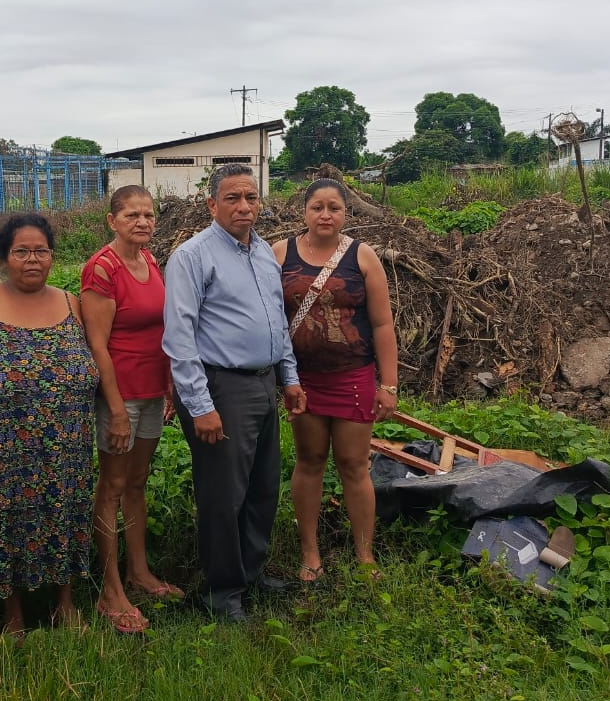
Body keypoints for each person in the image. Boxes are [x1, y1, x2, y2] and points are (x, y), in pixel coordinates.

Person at [0, 213, 98, 636]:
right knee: (4, 517)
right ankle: (12, 613)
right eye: (21, 251)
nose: (32, 260)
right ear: (4, 257)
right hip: (3, 445)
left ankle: (64, 603)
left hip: (68, 443)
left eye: (41, 251)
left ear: (52, 255)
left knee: (66, 511)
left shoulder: (71, 304)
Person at [162, 164, 307, 622]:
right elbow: (179, 337)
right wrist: (200, 406)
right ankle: (221, 592)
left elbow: (277, 322)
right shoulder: (192, 256)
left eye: (251, 197)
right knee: (223, 496)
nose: (244, 206)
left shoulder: (263, 252)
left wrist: (289, 377)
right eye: (232, 198)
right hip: (221, 386)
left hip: (263, 383)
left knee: (262, 487)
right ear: (212, 205)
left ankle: (251, 574)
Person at [272, 178, 398, 581]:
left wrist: (388, 384)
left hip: (353, 377)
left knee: (354, 465)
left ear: (346, 213)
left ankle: (365, 555)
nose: (325, 215)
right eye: (317, 207)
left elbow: (382, 324)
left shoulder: (363, 256)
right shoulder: (280, 254)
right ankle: (310, 553)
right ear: (304, 211)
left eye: (334, 208)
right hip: (302, 380)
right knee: (309, 461)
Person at [81, 187, 183, 634]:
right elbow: (98, 345)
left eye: (148, 215)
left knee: (137, 482)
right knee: (112, 486)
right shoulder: (102, 269)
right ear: (112, 221)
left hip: (150, 391)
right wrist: (117, 409)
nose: (142, 222)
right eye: (131, 215)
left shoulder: (150, 261)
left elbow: (160, 329)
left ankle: (138, 572)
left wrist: (167, 384)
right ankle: (110, 590)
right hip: (119, 395)